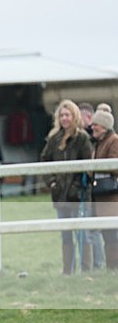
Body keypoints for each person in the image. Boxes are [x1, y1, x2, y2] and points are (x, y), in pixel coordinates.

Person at [41, 99, 94, 274]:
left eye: (67, 115)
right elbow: (45, 161)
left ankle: (86, 269)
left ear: (74, 116)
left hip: (78, 194)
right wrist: (52, 182)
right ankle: (67, 270)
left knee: (83, 234)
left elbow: (89, 165)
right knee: (65, 235)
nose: (64, 118)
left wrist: (78, 185)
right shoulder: (53, 139)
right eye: (62, 115)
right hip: (60, 194)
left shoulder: (82, 138)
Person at [76, 102, 105, 268]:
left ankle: (97, 263)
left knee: (92, 229)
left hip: (95, 188)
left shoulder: (91, 139)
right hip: (90, 188)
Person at [90, 104, 118, 269]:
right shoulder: (99, 143)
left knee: (113, 236)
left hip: (111, 197)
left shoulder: (113, 141)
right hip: (101, 196)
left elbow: (114, 166)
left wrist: (95, 167)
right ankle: (111, 267)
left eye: (96, 124)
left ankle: (114, 267)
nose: (92, 127)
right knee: (108, 235)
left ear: (104, 126)